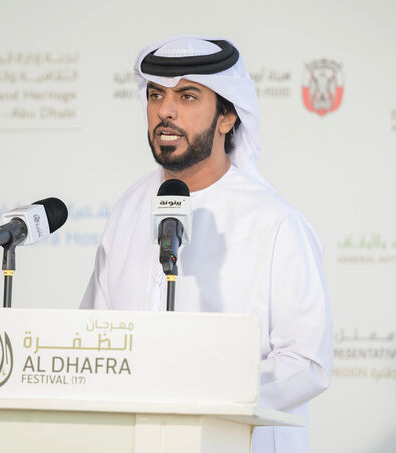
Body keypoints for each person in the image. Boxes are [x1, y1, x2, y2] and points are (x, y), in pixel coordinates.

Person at [80, 35, 333, 453]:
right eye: (156, 95)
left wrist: (207, 394)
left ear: (227, 117)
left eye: (188, 96)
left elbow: (306, 362)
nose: (165, 110)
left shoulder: (275, 223)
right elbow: (95, 338)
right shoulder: (127, 209)